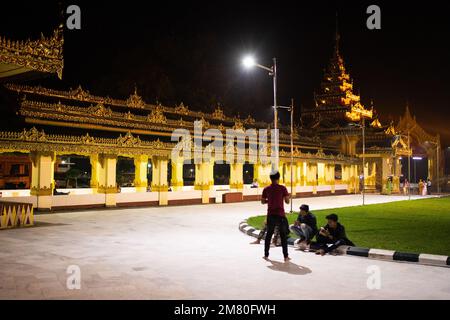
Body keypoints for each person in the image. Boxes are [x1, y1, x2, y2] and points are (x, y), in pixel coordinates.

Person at [261, 171, 290, 262]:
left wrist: (269, 201)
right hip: (280, 214)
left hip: (271, 214)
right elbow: (287, 202)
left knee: (269, 234)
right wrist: (288, 197)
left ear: (270, 178)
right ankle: (285, 256)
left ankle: (266, 255)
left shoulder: (266, 189)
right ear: (279, 178)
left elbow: (262, 201)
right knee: (283, 235)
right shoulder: (282, 188)